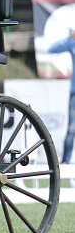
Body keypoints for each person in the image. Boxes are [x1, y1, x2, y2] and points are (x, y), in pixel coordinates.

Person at [48, 29, 75, 163]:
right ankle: (65, 161)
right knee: (72, 128)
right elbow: (52, 49)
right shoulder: (73, 43)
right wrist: (69, 37)